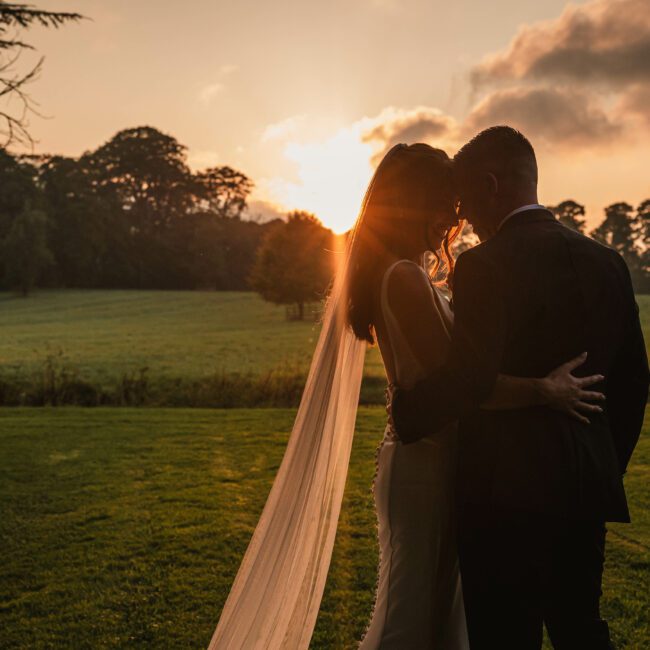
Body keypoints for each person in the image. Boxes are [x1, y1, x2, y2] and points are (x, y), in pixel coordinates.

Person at [391, 127, 649, 649]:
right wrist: (600, 462)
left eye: (465, 201)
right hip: (585, 488)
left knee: (506, 636)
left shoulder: (484, 265)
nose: (464, 220)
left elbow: (470, 377)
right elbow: (633, 384)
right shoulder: (608, 262)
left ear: (491, 185)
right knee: (581, 628)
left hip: (500, 496)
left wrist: (411, 412)